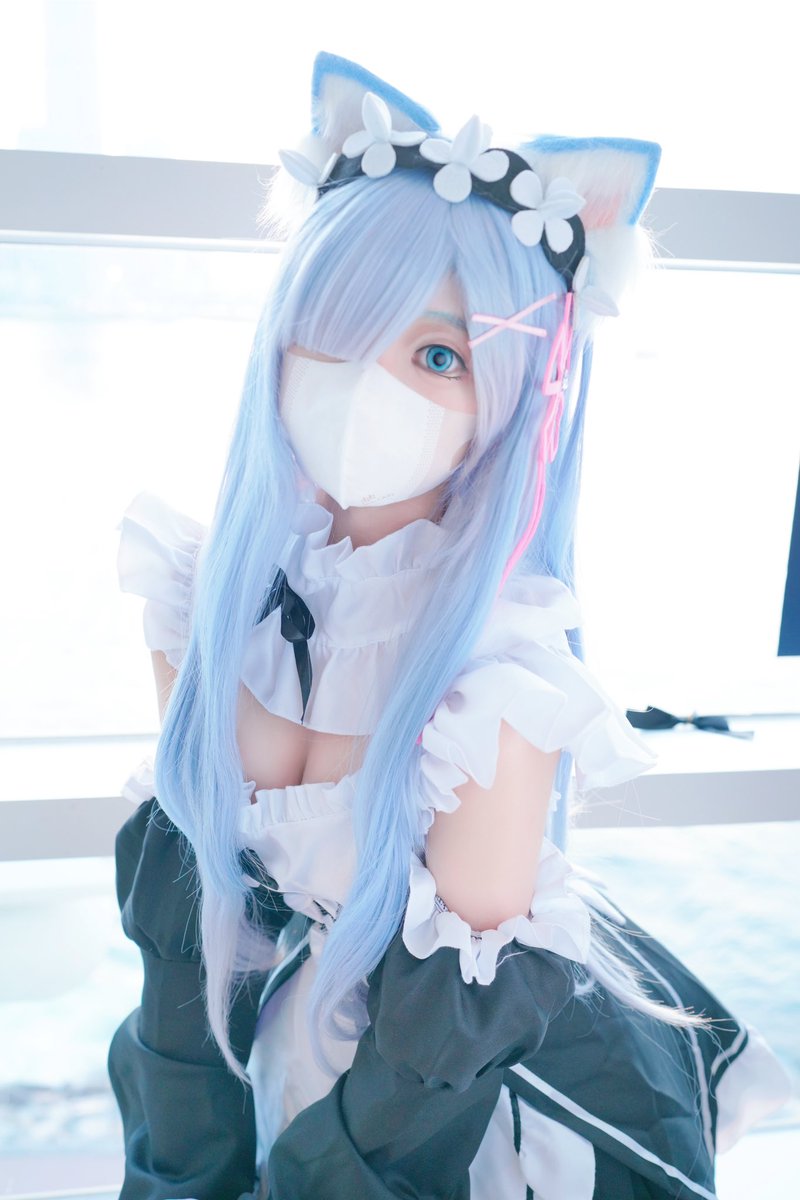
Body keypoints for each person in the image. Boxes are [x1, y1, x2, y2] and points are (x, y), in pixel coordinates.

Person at [108, 51, 792, 1200]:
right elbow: (186, 942)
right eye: (331, 328)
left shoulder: (496, 682)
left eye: (437, 355)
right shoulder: (205, 590)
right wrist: (178, 1175)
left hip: (448, 1114)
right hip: (281, 1048)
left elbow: (427, 1076)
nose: (359, 387)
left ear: (517, 391)